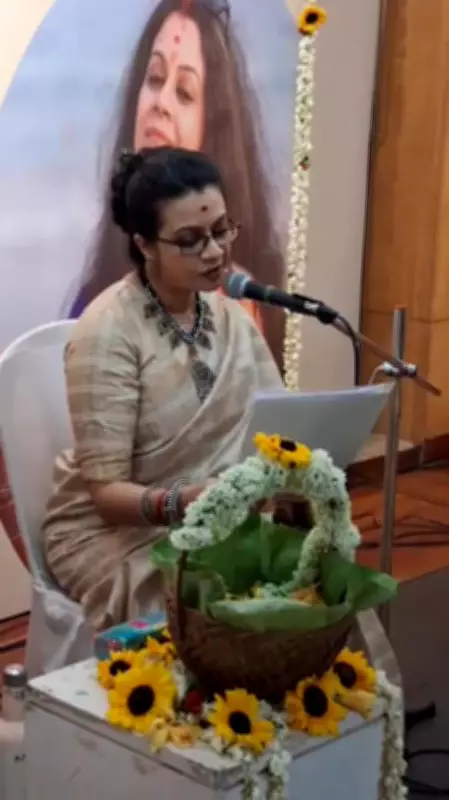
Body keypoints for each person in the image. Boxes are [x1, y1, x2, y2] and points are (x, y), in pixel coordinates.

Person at [42, 147, 283, 632]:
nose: (214, 252)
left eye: (221, 230)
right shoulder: (108, 332)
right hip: (112, 532)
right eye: (190, 240)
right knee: (209, 601)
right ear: (145, 244)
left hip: (216, 517)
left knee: (317, 569)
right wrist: (186, 502)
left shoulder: (232, 317)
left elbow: (280, 424)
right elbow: (106, 494)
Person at [70, 0, 285, 362]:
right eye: (154, 79)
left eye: (184, 92)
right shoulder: (97, 300)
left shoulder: (238, 304)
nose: (161, 103)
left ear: (212, 127)